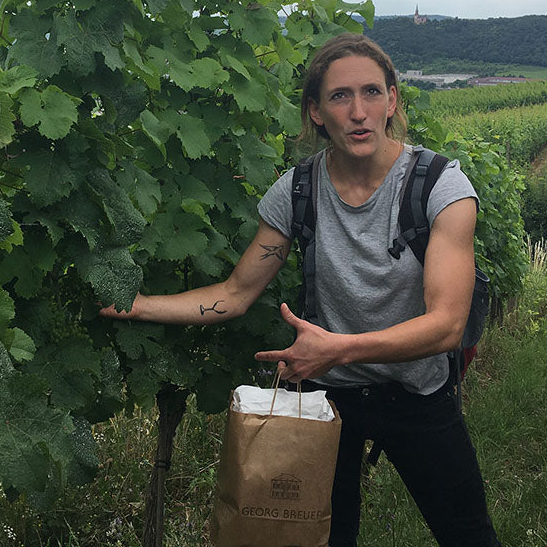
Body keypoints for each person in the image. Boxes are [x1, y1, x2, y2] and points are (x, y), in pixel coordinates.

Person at [101, 32, 500, 546]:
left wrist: (338, 349)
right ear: (315, 111)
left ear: (392, 100)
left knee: (468, 535)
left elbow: (446, 325)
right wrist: (136, 306)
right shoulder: (297, 190)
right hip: (328, 400)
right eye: (340, 96)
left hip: (416, 391)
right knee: (323, 537)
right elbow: (235, 293)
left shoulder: (439, 188)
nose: (359, 111)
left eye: (372, 93)